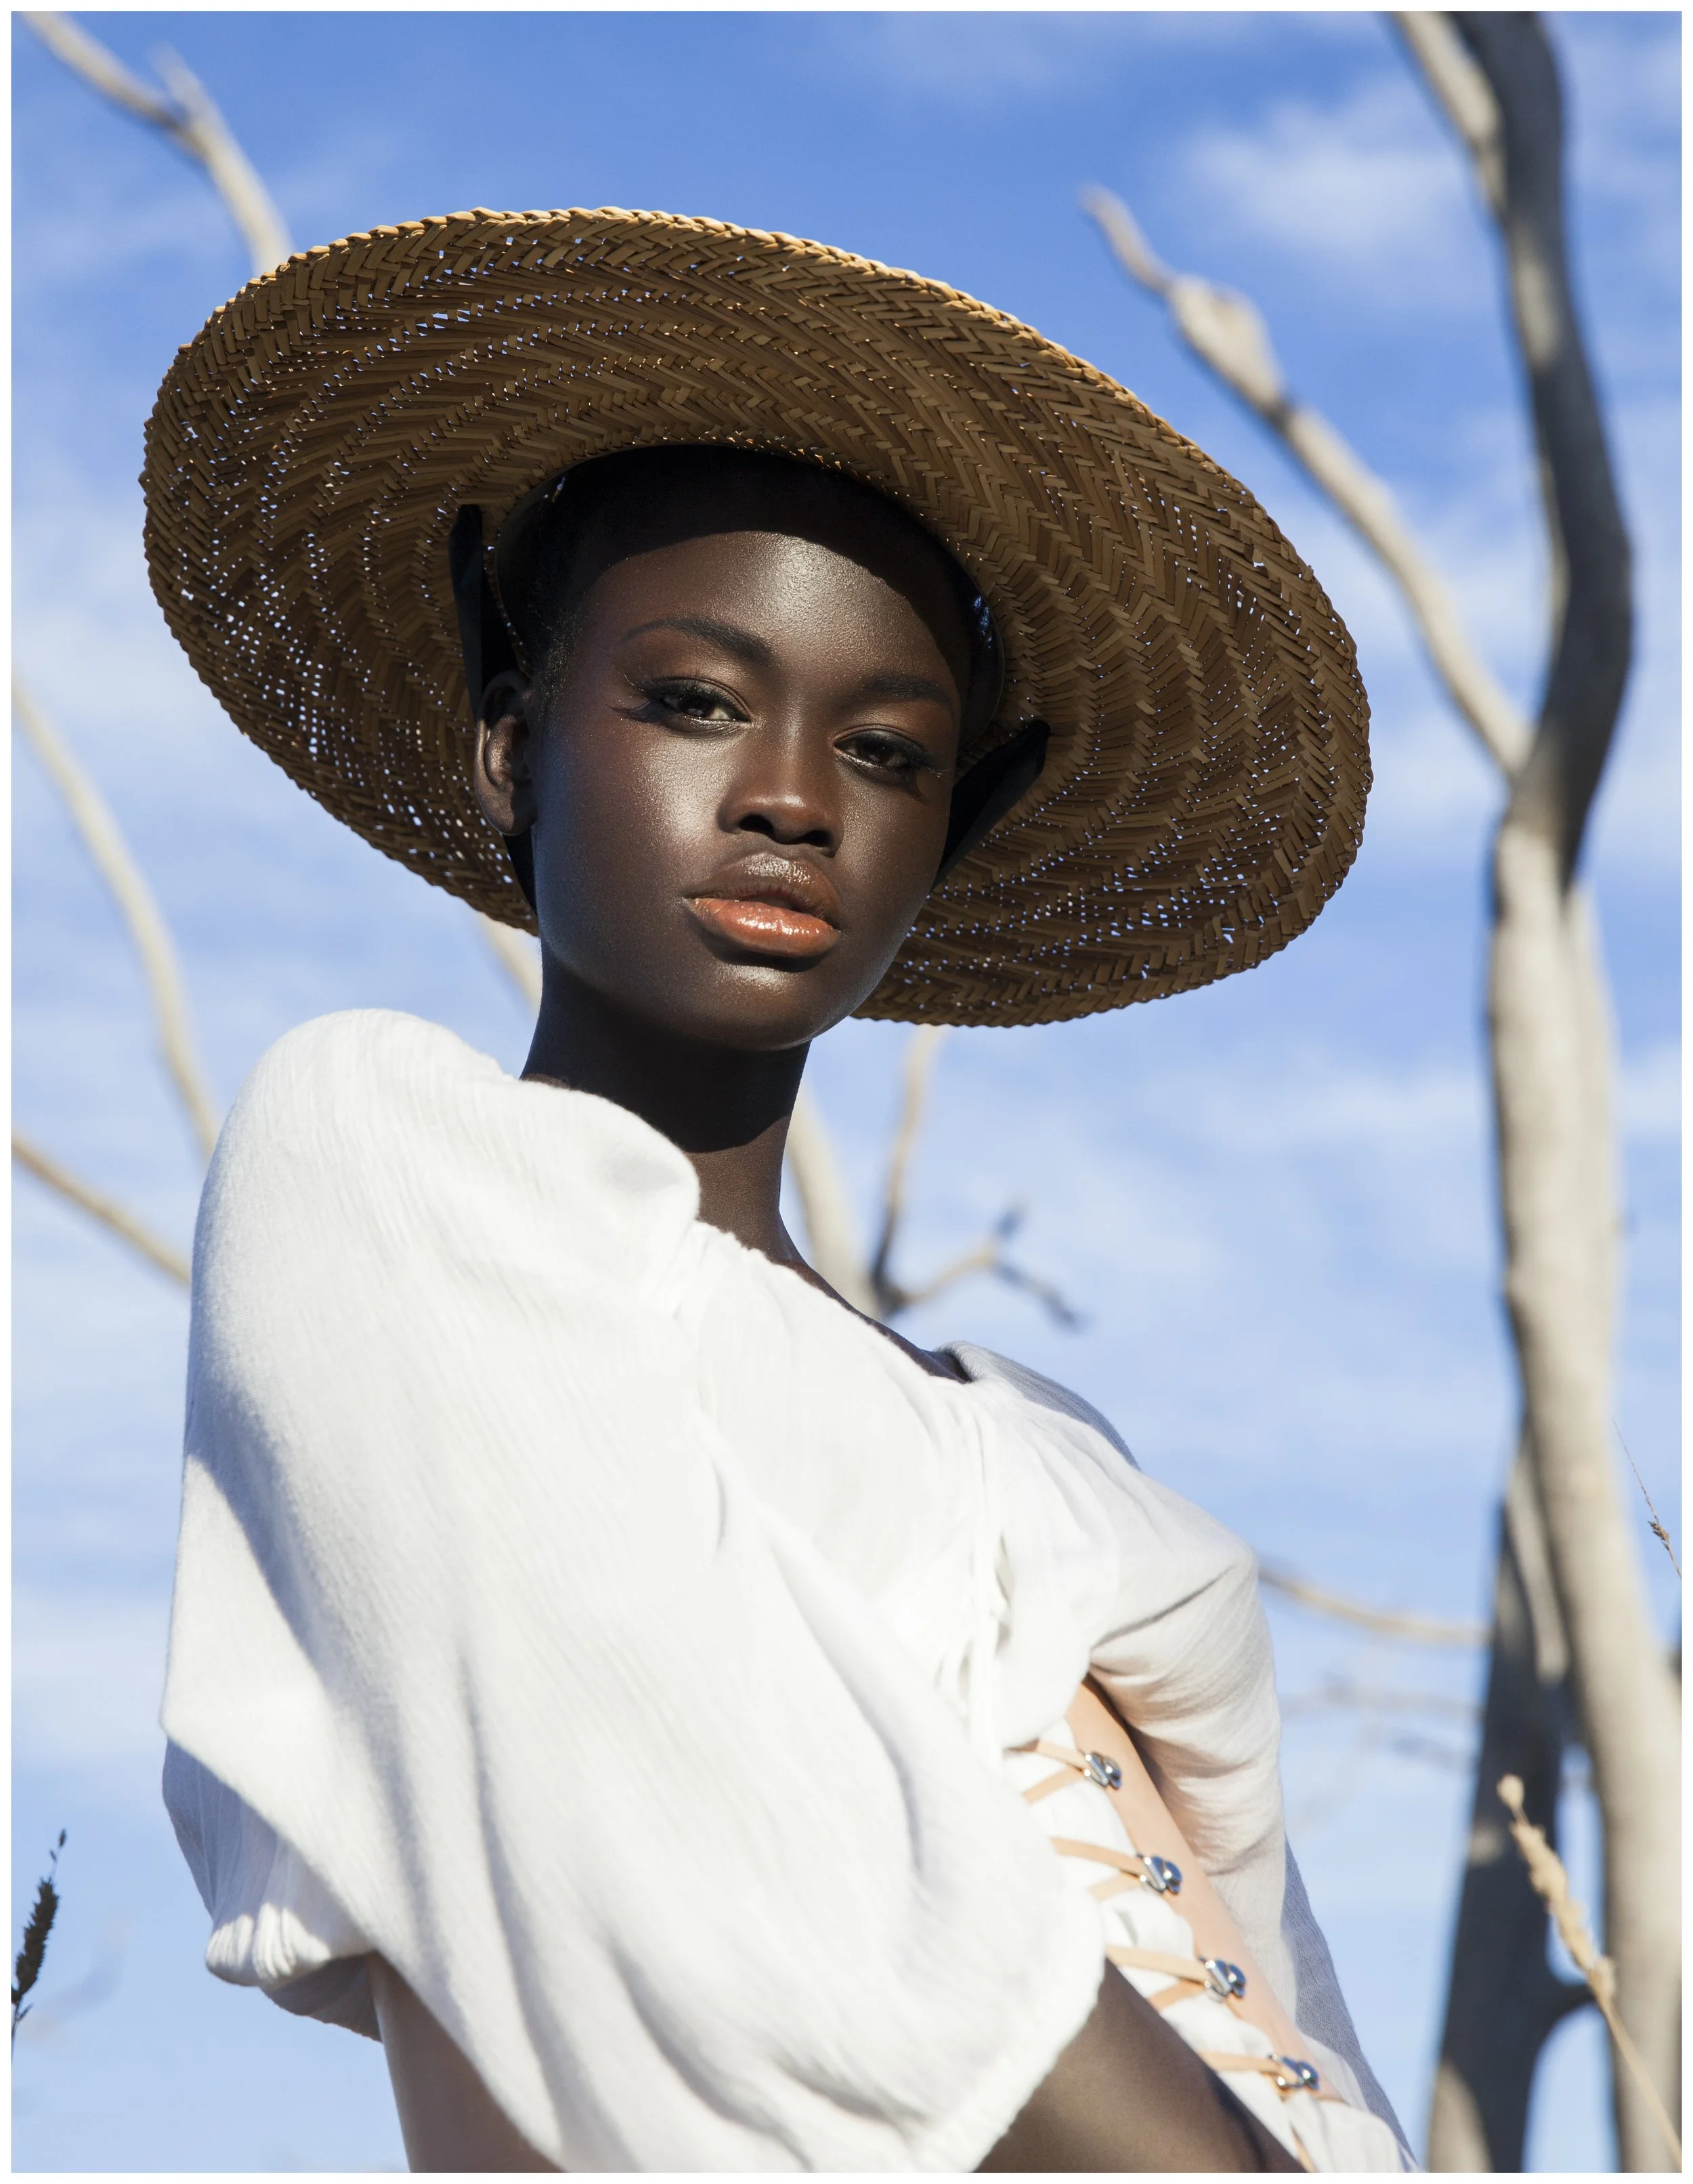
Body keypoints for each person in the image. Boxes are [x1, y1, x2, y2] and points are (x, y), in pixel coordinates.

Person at [149, 209, 1411, 2172]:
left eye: (889, 752)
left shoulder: (1038, 1436)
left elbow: (1284, 2004)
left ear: (948, 836)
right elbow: (720, 1830)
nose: (792, 799)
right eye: (691, 702)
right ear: (510, 752)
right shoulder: (384, 1160)